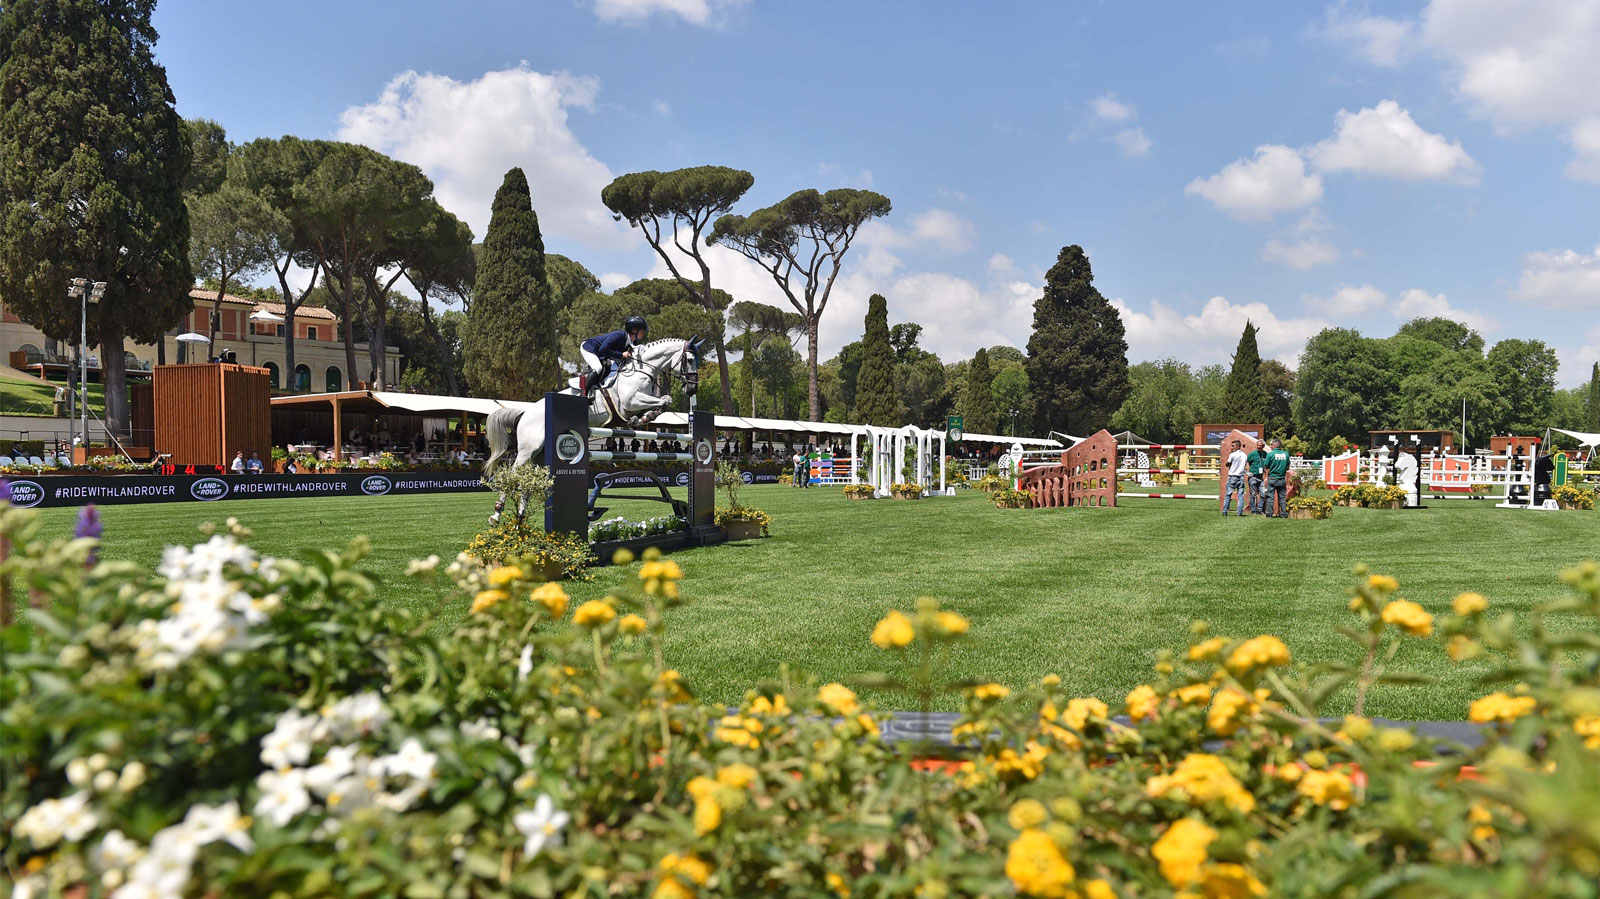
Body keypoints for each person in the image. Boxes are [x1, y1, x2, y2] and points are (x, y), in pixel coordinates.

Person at [579, 316, 648, 397]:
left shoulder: (633, 342)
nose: (644, 333)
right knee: (598, 368)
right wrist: (621, 354)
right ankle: (583, 394)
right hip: (589, 347)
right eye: (642, 331)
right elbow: (603, 349)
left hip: (601, 353)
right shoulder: (618, 335)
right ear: (635, 330)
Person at [1263, 438, 1291, 518]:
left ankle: (1269, 513)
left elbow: (1266, 466)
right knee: (1282, 497)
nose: (1270, 446)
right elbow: (1287, 467)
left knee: (1270, 497)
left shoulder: (1270, 454)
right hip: (1282, 478)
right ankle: (1283, 513)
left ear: (1275, 445)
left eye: (1271, 445)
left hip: (1272, 478)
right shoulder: (1286, 454)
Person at [1222, 439, 1248, 516]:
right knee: (1241, 496)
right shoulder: (1244, 455)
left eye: (1233, 446)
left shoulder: (1232, 455)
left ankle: (1224, 511)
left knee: (1228, 495)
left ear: (1238, 446)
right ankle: (1239, 512)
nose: (1231, 447)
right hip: (1241, 477)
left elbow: (1227, 463)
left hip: (1232, 477)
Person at [1246, 438, 1269, 515]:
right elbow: (1244, 462)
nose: (1258, 447)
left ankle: (1259, 509)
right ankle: (1253, 510)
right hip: (1253, 477)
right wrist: (1246, 472)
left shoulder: (1265, 454)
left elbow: (1266, 464)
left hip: (1260, 477)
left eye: (1260, 445)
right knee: (1253, 494)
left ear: (1263, 446)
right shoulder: (1252, 454)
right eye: (1258, 445)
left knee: (1262, 494)